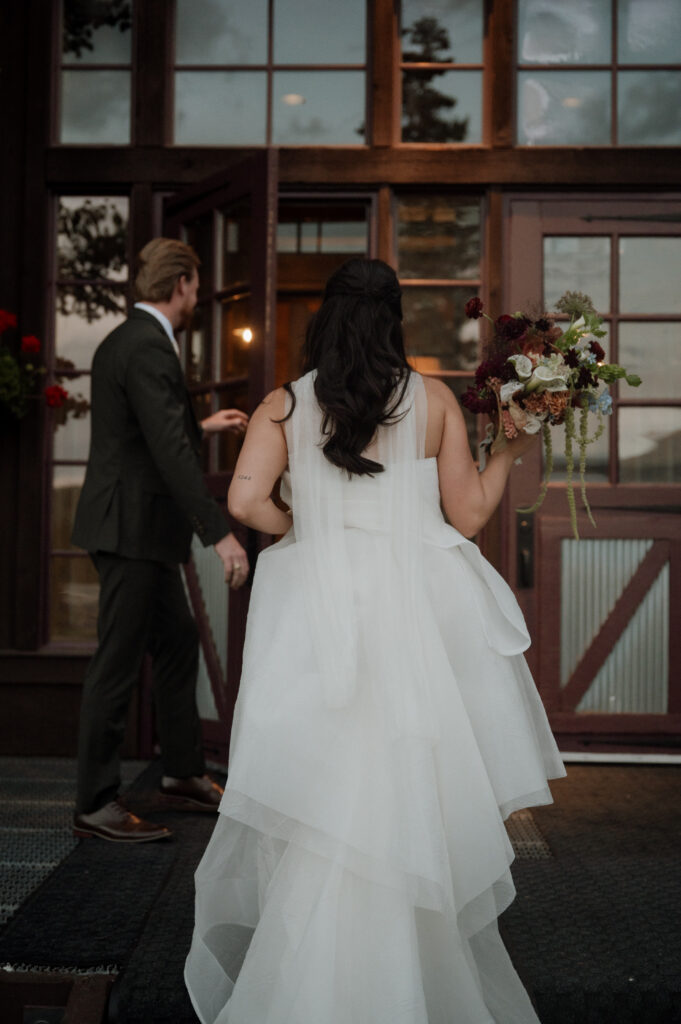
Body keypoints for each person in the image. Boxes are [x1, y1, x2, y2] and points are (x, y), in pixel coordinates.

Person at [185, 258, 566, 1022]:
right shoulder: (429, 401)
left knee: (327, 790)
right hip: (410, 622)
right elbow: (464, 519)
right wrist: (511, 452)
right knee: (401, 780)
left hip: (317, 622)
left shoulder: (284, 405)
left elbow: (244, 499)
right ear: (392, 321)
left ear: (325, 319)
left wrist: (308, 530)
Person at [71, 238, 250, 844]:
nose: (198, 296)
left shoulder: (127, 339)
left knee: (177, 641)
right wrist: (219, 533)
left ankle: (181, 772)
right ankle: (95, 803)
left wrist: (203, 423)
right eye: (197, 285)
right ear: (180, 285)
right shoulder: (149, 345)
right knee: (116, 664)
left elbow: (144, 432)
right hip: (131, 530)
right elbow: (169, 451)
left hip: (137, 526)